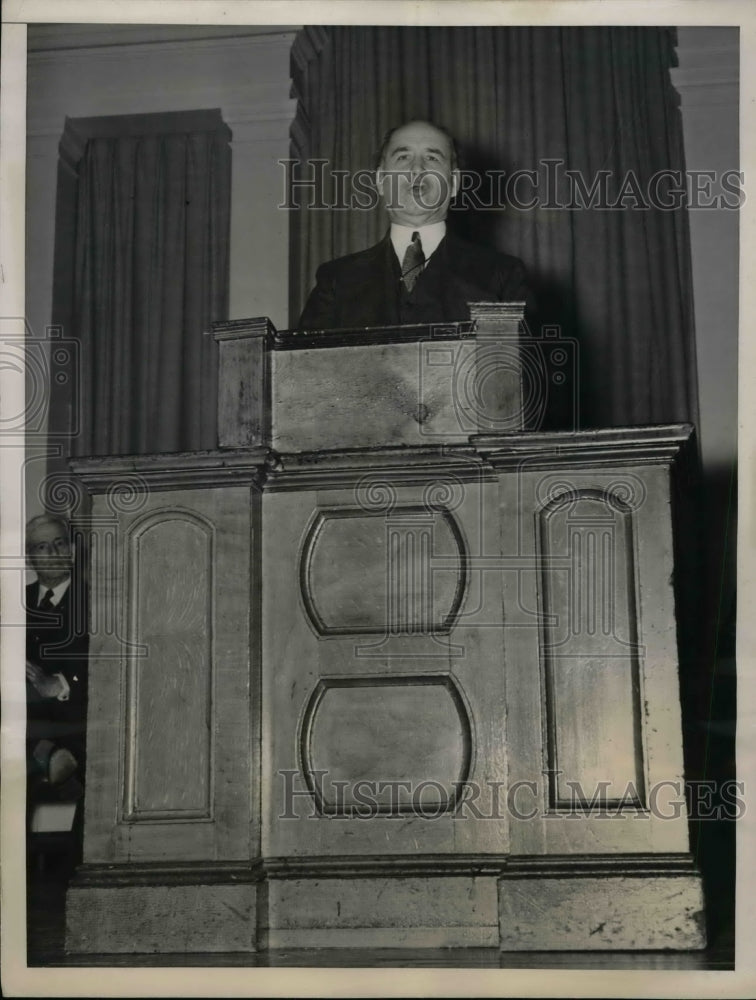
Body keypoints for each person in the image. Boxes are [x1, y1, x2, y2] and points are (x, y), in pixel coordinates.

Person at [298, 119, 532, 330]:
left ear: (454, 183)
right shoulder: (337, 280)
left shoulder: (503, 276)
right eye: (403, 157)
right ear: (380, 181)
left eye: (432, 158)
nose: (417, 169)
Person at [25, 513, 89, 792]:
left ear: (72, 551)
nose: (52, 553)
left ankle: (49, 753)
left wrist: (60, 684)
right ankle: (45, 753)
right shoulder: (14, 601)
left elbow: (107, 671)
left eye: (59, 544)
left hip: (74, 720)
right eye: (41, 547)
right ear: (29, 558)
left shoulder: (95, 602)